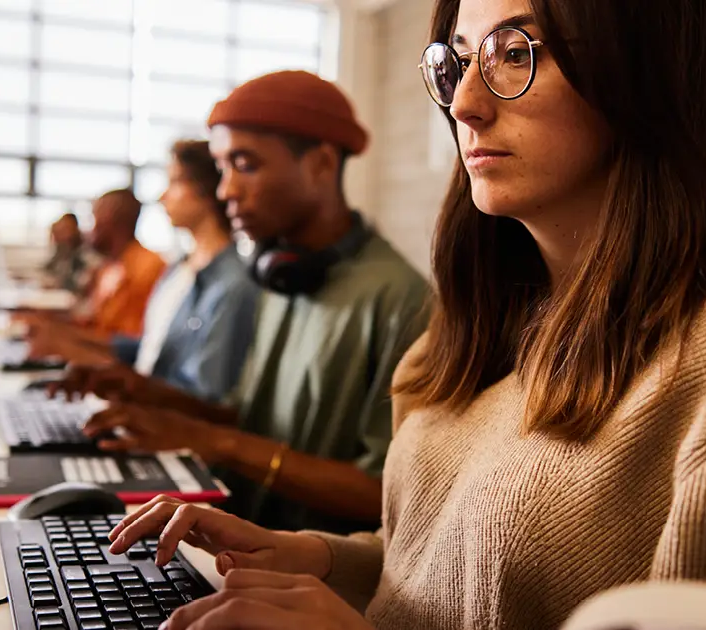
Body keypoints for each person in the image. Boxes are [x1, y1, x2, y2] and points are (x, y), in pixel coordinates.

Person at [95, 1, 706, 629]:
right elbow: (447, 575)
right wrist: (307, 558)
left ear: (642, 71)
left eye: (515, 53)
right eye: (456, 63)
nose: (466, 104)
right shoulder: (497, 320)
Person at [53, 71, 430, 533]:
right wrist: (144, 392)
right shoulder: (282, 273)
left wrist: (217, 442)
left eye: (245, 164)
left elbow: (383, 492)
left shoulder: (400, 300)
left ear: (322, 164)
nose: (226, 189)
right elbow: (249, 417)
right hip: (239, 538)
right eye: (222, 166)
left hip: (311, 575)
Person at [105, 139, 262, 403]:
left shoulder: (233, 285)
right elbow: (151, 353)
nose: (162, 196)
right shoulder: (177, 269)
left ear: (208, 190)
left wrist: (127, 387)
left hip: (164, 425)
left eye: (175, 182)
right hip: (141, 410)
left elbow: (207, 393)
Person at [27, 189, 167, 361]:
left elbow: (135, 343)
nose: (90, 229)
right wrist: (51, 325)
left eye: (95, 218)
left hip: (117, 373)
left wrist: (67, 339)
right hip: (93, 364)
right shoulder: (108, 267)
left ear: (112, 220)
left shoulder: (149, 267)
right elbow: (94, 323)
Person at [42, 212, 100, 295]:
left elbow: (81, 283)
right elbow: (48, 270)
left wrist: (57, 283)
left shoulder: (85, 254)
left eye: (64, 229)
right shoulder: (61, 251)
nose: (59, 235)